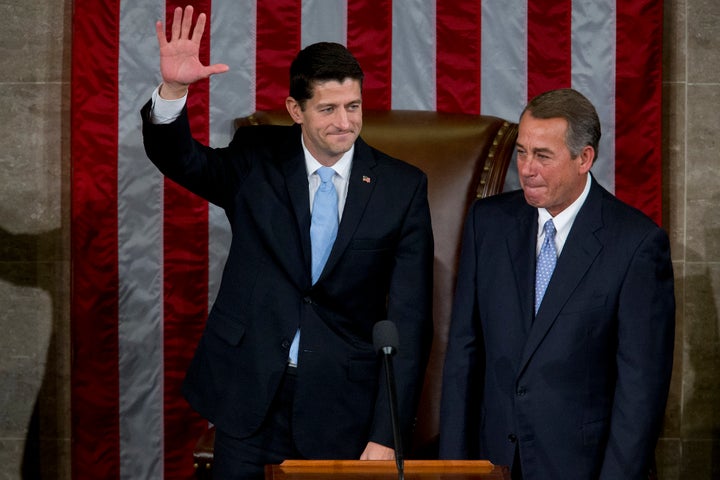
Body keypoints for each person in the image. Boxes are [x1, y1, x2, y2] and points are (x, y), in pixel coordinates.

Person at [141, 6, 433, 479]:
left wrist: (386, 434)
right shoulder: (256, 158)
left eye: (353, 106)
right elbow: (183, 161)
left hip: (342, 404)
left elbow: (410, 320)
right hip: (250, 394)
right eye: (328, 108)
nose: (345, 122)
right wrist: (174, 91)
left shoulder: (401, 188)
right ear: (296, 111)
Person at [438, 88, 675, 479]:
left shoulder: (636, 245)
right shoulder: (488, 223)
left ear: (584, 158)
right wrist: (453, 467)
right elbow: (464, 353)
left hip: (580, 467)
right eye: (522, 152)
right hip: (493, 462)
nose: (526, 168)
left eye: (543, 156)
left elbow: (640, 393)